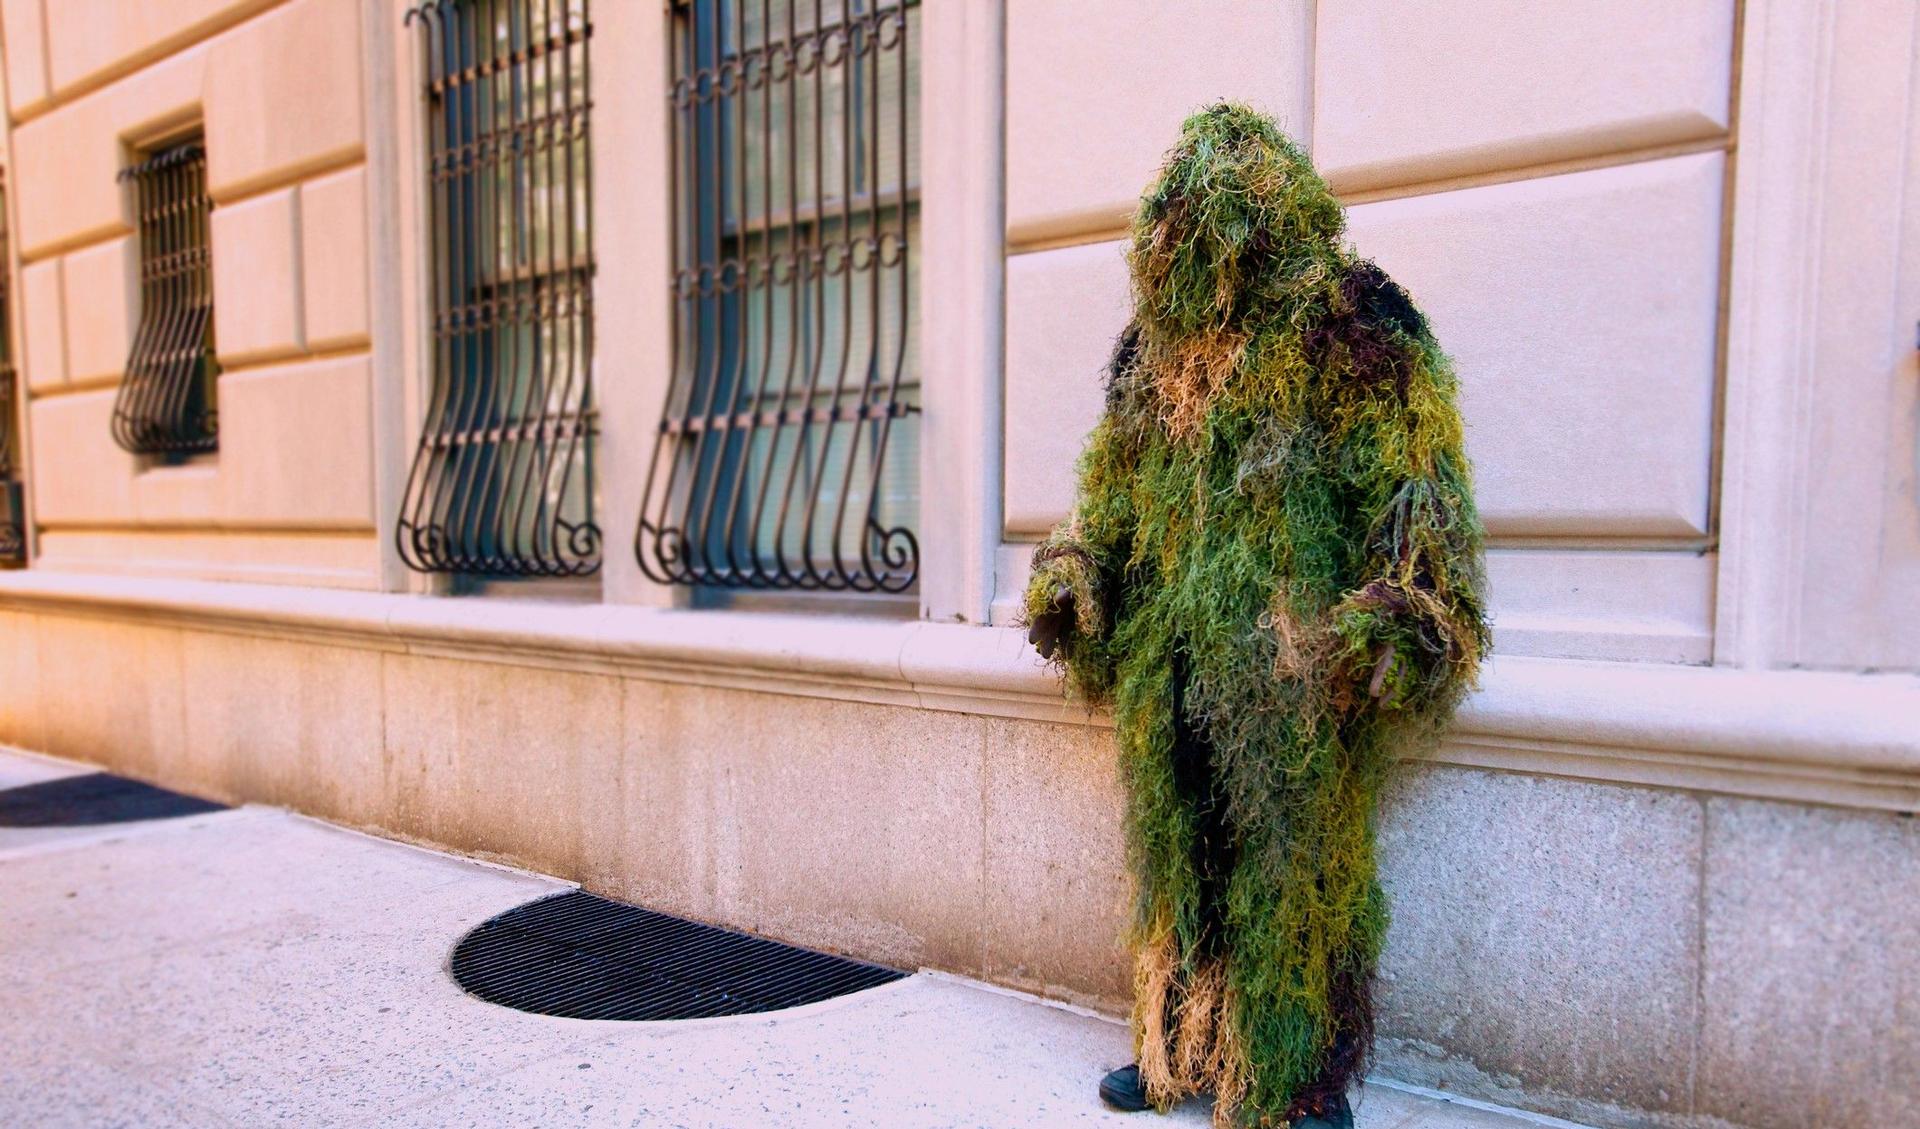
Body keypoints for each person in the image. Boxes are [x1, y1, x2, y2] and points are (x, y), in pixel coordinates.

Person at [1025, 103, 1489, 1129]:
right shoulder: (1150, 356)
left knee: (1297, 870)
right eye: (1169, 223)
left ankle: (1299, 1080)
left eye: (1200, 222)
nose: (1177, 243)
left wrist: (1405, 610)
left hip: (1293, 674)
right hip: (1171, 665)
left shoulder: (1352, 322)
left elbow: (1417, 482)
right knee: (1177, 851)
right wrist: (1075, 572)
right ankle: (1179, 1046)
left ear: (1258, 223)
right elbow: (1112, 490)